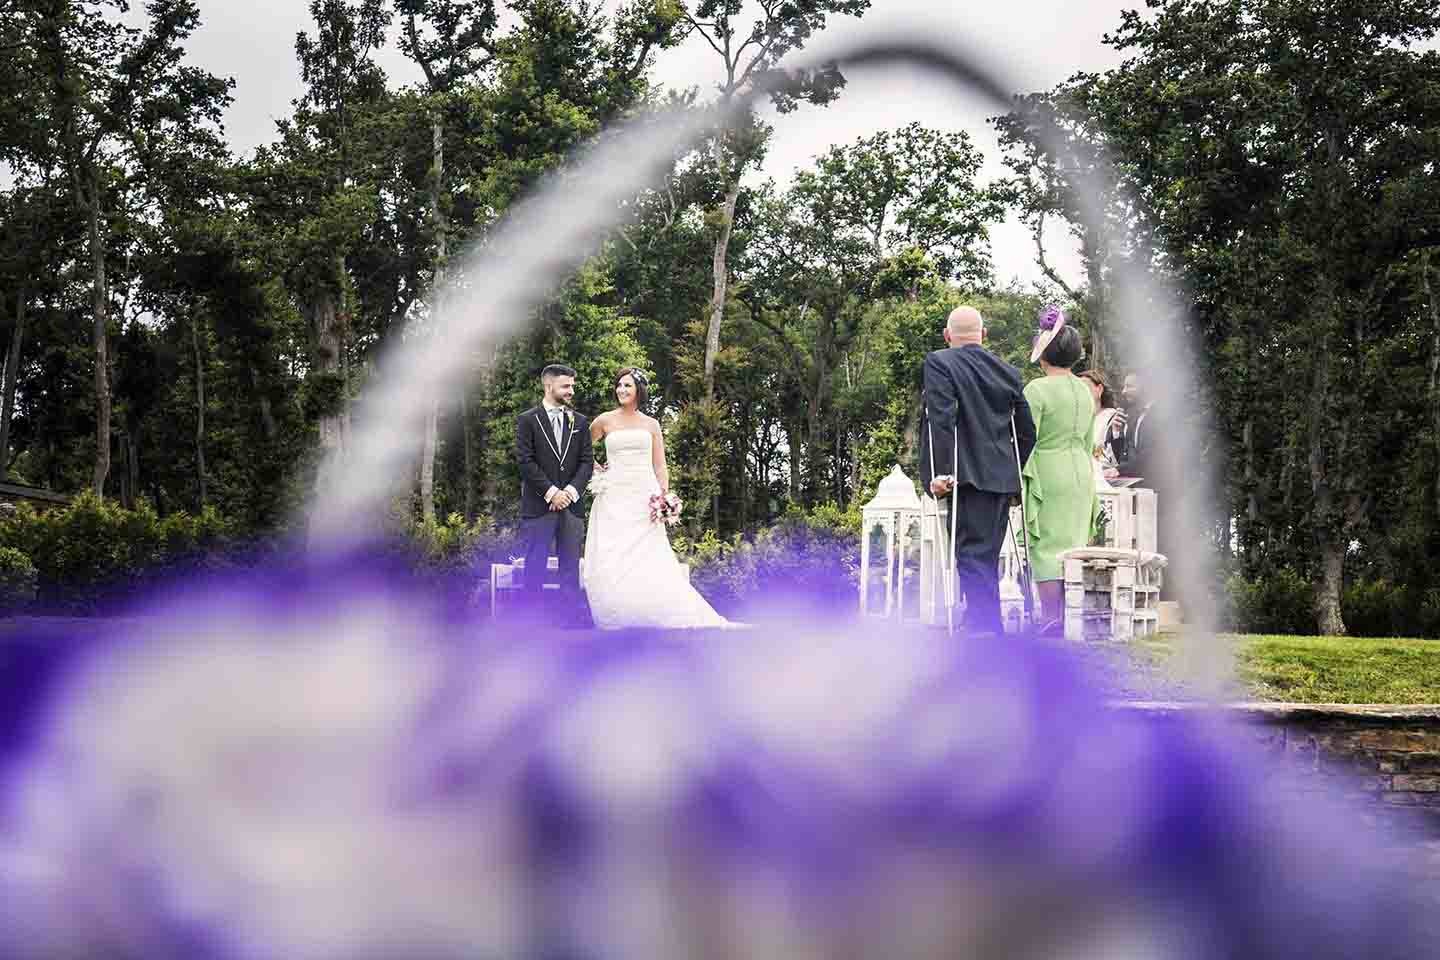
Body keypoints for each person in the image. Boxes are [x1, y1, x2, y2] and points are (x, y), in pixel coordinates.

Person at [583, 368, 738, 630]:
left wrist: (663, 496)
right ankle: (616, 613)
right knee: (614, 552)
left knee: (648, 553)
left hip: (644, 496)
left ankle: (652, 609)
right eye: (619, 385)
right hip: (614, 496)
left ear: (639, 391)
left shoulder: (651, 424)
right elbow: (581, 449)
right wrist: (596, 469)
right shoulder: (604, 420)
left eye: (627, 386)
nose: (621, 390)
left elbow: (660, 466)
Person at [919, 305, 1036, 636]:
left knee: (971, 555)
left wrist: (940, 473)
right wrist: (1012, 471)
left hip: (964, 475)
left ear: (947, 336)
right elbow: (1027, 432)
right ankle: (983, 621)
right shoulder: (1008, 372)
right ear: (984, 336)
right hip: (1000, 479)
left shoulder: (940, 362)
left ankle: (985, 628)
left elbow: (940, 420)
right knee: (983, 556)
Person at [1021, 307, 1101, 630]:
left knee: (1047, 548)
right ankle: (1071, 620)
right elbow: (1086, 438)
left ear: (1044, 354)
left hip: (1048, 470)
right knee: (1073, 546)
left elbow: (1028, 438)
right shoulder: (1084, 390)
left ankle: (1052, 621)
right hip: (1081, 472)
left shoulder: (1036, 390)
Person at [515, 363, 594, 624]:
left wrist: (569, 493)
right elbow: (525, 462)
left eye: (572, 385)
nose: (571, 390)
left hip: (571, 508)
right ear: (549, 386)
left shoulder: (581, 422)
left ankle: (569, 620)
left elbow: (586, 462)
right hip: (540, 506)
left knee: (570, 567)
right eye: (566, 385)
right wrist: (551, 492)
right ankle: (531, 622)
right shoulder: (527, 420)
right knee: (535, 564)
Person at [1077, 369, 1121, 489]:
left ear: (1099, 389)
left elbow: (1108, 451)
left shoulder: (1111, 416)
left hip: (1105, 478)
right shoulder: (1077, 419)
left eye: (1085, 388)